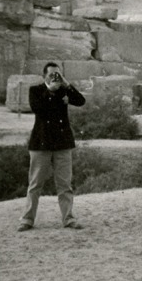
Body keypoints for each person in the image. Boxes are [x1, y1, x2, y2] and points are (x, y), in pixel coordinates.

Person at [18, 62, 86, 231]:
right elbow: (38, 108)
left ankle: (68, 218)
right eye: (51, 74)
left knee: (65, 185)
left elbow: (81, 101)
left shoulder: (64, 89)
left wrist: (67, 84)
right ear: (44, 76)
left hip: (62, 143)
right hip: (41, 143)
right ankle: (27, 219)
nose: (55, 77)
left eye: (58, 74)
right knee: (35, 184)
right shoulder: (35, 90)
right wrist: (51, 92)